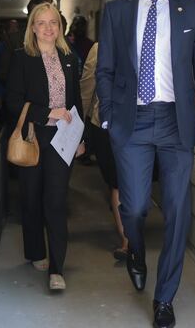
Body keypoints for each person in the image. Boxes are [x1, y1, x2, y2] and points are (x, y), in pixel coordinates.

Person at [96, 0, 195, 328]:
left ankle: (164, 299)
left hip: (176, 123)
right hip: (131, 123)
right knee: (133, 208)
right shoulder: (117, 12)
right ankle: (134, 249)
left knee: (179, 212)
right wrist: (109, 119)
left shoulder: (192, 10)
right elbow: (106, 69)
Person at [6, 2, 85, 291]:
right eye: (42, 23)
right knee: (31, 198)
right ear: (33, 27)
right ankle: (35, 251)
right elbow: (13, 103)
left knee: (55, 201)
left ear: (60, 27)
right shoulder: (22, 58)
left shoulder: (69, 58)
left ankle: (57, 268)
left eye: (54, 22)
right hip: (33, 136)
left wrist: (80, 137)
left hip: (63, 139)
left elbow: (76, 101)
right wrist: (45, 112)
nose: (49, 28)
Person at [80, 43, 129, 260]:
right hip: (106, 125)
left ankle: (130, 236)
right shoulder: (100, 49)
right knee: (117, 182)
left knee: (133, 181)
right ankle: (127, 240)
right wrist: (79, 124)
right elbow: (87, 88)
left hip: (144, 125)